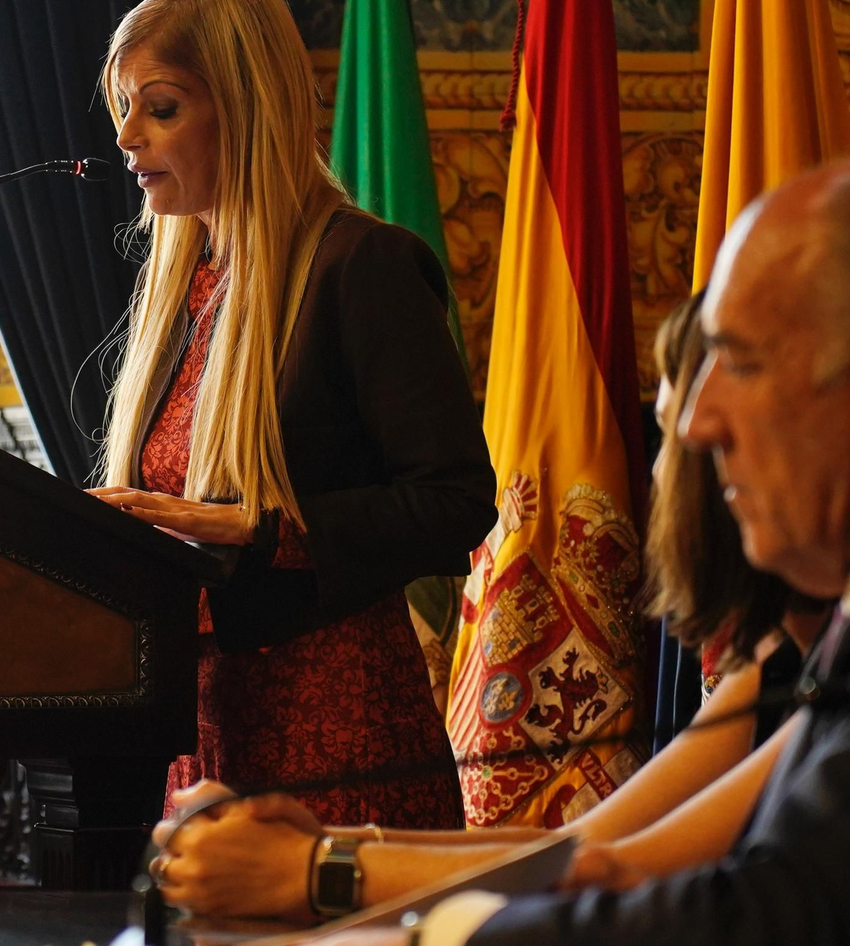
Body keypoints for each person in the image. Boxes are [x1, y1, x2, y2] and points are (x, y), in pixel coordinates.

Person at [145, 289, 828, 924]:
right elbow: (578, 845)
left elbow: (607, 870)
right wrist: (321, 842)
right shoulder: (777, 661)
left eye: (671, 433)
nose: (654, 473)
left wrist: (313, 868)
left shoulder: (817, 665)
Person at [310, 160, 850, 944]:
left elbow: (661, 880)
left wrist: (328, 874)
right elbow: (599, 860)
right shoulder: (815, 652)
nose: (691, 435)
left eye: (741, 364)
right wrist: (330, 859)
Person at [84, 0, 495, 831]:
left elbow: (455, 502)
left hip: (334, 726)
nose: (126, 136)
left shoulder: (362, 265)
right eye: (123, 107)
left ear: (244, 109)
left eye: (160, 107)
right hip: (202, 725)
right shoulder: (184, 288)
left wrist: (260, 527)